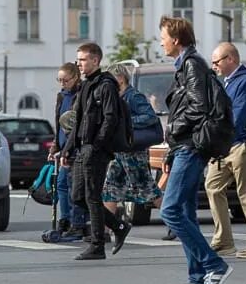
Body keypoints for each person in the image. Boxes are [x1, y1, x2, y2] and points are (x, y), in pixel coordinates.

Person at [159, 16, 232, 284]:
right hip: (183, 146)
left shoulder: (192, 64)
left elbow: (198, 108)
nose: (161, 42)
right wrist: (171, 147)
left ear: (176, 40)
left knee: (170, 210)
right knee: (185, 212)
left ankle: (214, 264)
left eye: (163, 37)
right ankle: (196, 279)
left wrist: (173, 131)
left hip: (192, 146)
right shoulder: (185, 66)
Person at [204, 42, 246, 259]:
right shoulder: (226, 81)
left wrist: (220, 141)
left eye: (217, 61)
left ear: (230, 59)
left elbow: (238, 116)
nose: (214, 66)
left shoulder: (245, 81)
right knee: (213, 186)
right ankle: (224, 241)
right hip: (227, 145)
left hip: (243, 143)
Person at [61, 43, 129, 261]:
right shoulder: (86, 85)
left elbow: (110, 118)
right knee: (77, 197)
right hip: (82, 148)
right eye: (77, 60)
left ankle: (98, 244)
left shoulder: (105, 85)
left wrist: (98, 144)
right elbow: (77, 120)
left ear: (95, 61)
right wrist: (67, 149)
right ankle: (118, 225)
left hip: (96, 150)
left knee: (92, 196)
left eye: (82, 60)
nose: (78, 64)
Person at [100, 63, 162, 246]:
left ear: (120, 79)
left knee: (148, 189)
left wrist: (126, 121)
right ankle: (104, 231)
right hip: (119, 152)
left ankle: (175, 223)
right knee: (110, 190)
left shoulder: (133, 96)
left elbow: (150, 116)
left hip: (133, 152)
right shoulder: (117, 97)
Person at [49, 63, 88, 239]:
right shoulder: (61, 96)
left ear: (75, 77)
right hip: (64, 147)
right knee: (62, 185)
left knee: (74, 187)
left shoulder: (80, 95)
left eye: (65, 80)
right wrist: (55, 146)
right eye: (60, 80)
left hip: (75, 148)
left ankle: (76, 222)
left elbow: (75, 125)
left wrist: (67, 149)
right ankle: (65, 219)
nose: (63, 83)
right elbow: (59, 124)